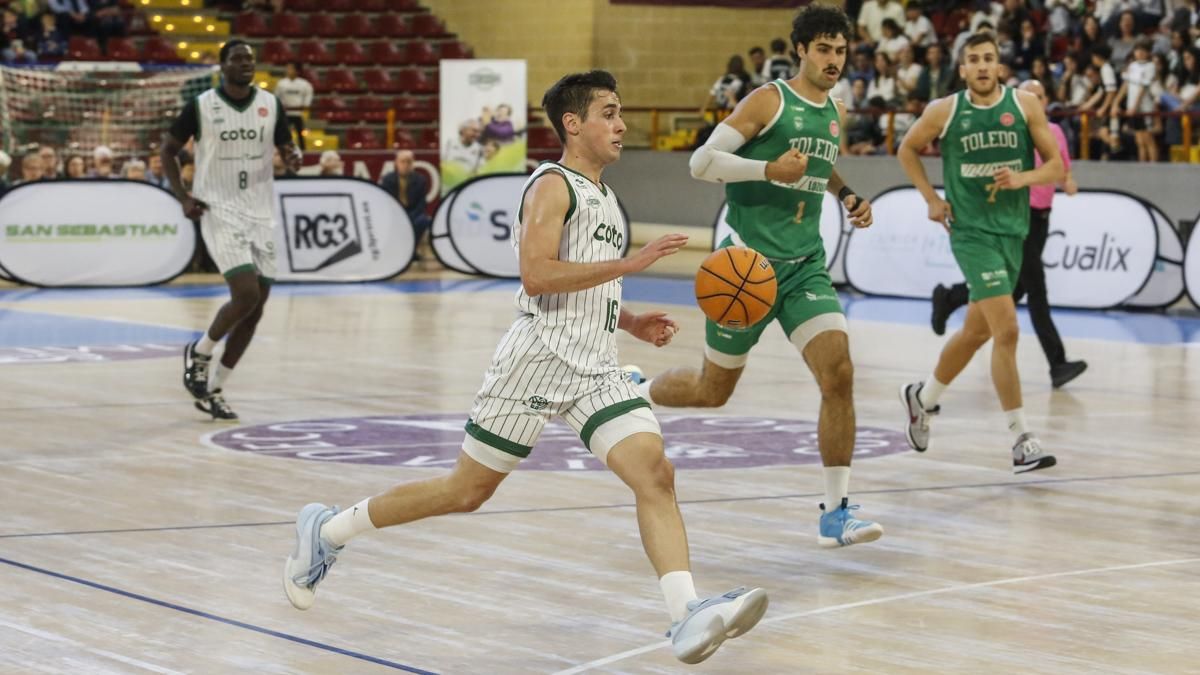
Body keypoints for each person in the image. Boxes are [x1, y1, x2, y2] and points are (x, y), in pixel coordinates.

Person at [282, 70, 768, 665]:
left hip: (595, 369)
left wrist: (630, 321)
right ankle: (329, 531)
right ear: (573, 123)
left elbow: (584, 282)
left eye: (620, 113)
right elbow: (537, 276)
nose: (622, 125)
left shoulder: (605, 196)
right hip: (536, 362)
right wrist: (632, 263)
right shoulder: (552, 186)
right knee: (466, 492)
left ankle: (685, 612)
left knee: (655, 474)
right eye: (609, 113)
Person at [635, 5, 884, 549]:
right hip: (747, 269)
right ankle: (638, 390)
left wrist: (845, 194)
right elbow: (701, 163)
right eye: (823, 49)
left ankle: (835, 513)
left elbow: (818, 165)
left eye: (841, 51)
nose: (833, 60)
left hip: (805, 266)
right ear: (801, 50)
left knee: (839, 373)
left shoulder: (835, 110)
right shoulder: (768, 101)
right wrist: (768, 169)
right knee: (712, 391)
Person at [897, 34, 1064, 474]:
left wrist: (1023, 178)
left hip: (1013, 232)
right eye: (974, 59)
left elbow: (1055, 166)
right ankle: (1021, 439)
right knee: (1007, 330)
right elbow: (907, 148)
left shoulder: (1025, 105)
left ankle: (923, 398)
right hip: (970, 233)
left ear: (1000, 67)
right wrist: (931, 198)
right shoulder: (945, 110)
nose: (983, 66)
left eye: (990, 58)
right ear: (964, 69)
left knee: (976, 332)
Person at [162, 39, 301, 421]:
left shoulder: (271, 104)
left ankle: (215, 388)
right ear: (222, 66)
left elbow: (287, 147)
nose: (245, 64)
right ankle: (200, 352)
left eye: (250, 59)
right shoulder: (201, 105)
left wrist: (293, 156)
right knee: (245, 294)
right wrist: (183, 197)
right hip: (219, 208)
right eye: (238, 59)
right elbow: (168, 150)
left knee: (256, 309)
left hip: (260, 212)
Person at [930, 80, 1087, 390]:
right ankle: (1057, 363)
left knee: (1014, 289)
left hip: (1042, 218)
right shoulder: (1012, 129)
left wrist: (1068, 181)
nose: (1036, 100)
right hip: (1017, 217)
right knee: (1036, 290)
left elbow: (1061, 167)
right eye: (1031, 95)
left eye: (1041, 95)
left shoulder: (1054, 131)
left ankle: (950, 298)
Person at [378, 149, 431, 250]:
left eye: (409, 162)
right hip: (394, 213)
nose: (406, 165)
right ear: (396, 163)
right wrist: (400, 216)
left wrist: (409, 217)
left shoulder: (420, 179)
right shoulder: (387, 179)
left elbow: (422, 204)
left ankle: (411, 249)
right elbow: (386, 203)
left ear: (413, 163)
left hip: (413, 213)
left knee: (423, 220)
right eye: (402, 161)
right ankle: (392, 249)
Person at [273, 62, 313, 150]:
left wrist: (305, 104)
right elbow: (277, 96)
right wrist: (280, 106)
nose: (288, 71)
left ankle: (303, 149)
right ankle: (283, 148)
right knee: (284, 132)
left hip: (298, 113)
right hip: (285, 112)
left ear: (297, 71)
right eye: (287, 68)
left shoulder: (304, 84)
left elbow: (308, 94)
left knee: (300, 132)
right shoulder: (281, 83)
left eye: (291, 68)